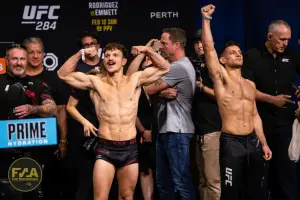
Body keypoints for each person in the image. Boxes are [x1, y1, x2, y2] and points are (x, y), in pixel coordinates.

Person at [57, 42, 170, 200]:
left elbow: (165, 68)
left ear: (124, 61)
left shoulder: (135, 80)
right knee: (100, 197)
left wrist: (147, 50)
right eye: (107, 55)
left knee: (126, 196)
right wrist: (80, 53)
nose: (110, 58)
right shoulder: (96, 82)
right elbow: (63, 74)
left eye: (115, 55)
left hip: (130, 148)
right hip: (105, 149)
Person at [201, 4, 272, 200]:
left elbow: (255, 114)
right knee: (230, 193)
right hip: (232, 143)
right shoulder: (221, 78)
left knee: (257, 192)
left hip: (253, 141)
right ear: (222, 60)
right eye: (232, 52)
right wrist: (206, 20)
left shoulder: (249, 84)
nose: (238, 54)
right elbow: (208, 48)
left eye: (239, 51)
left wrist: (264, 143)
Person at [243, 20, 300, 200]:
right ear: (270, 36)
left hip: (285, 124)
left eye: (288, 40)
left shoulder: (292, 55)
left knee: (286, 173)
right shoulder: (252, 56)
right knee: (260, 173)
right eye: (282, 39)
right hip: (260, 123)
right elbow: (247, 90)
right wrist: (272, 100)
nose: (285, 43)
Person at [144, 28, 196, 200]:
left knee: (181, 182)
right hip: (166, 130)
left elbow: (147, 88)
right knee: (163, 183)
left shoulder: (178, 67)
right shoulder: (177, 66)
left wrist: (155, 91)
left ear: (177, 45)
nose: (162, 47)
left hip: (178, 131)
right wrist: (161, 93)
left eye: (164, 43)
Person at [0, 43, 57, 200]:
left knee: (30, 195)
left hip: (30, 154)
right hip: (2, 154)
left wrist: (33, 109)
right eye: (15, 59)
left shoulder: (38, 85)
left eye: (22, 59)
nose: (19, 63)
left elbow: (52, 108)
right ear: (6, 60)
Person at [66, 31, 102, 200]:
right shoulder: (77, 70)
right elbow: (70, 106)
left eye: (93, 44)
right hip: (85, 133)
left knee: (106, 181)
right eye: (85, 45)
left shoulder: (108, 66)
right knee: (84, 179)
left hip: (108, 132)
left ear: (98, 46)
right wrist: (85, 122)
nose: (90, 48)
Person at [191, 28, 222, 200]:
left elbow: (225, 96)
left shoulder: (218, 68)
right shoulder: (192, 66)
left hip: (213, 129)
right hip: (197, 130)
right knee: (202, 180)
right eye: (196, 43)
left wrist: (202, 88)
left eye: (202, 42)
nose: (199, 45)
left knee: (213, 181)